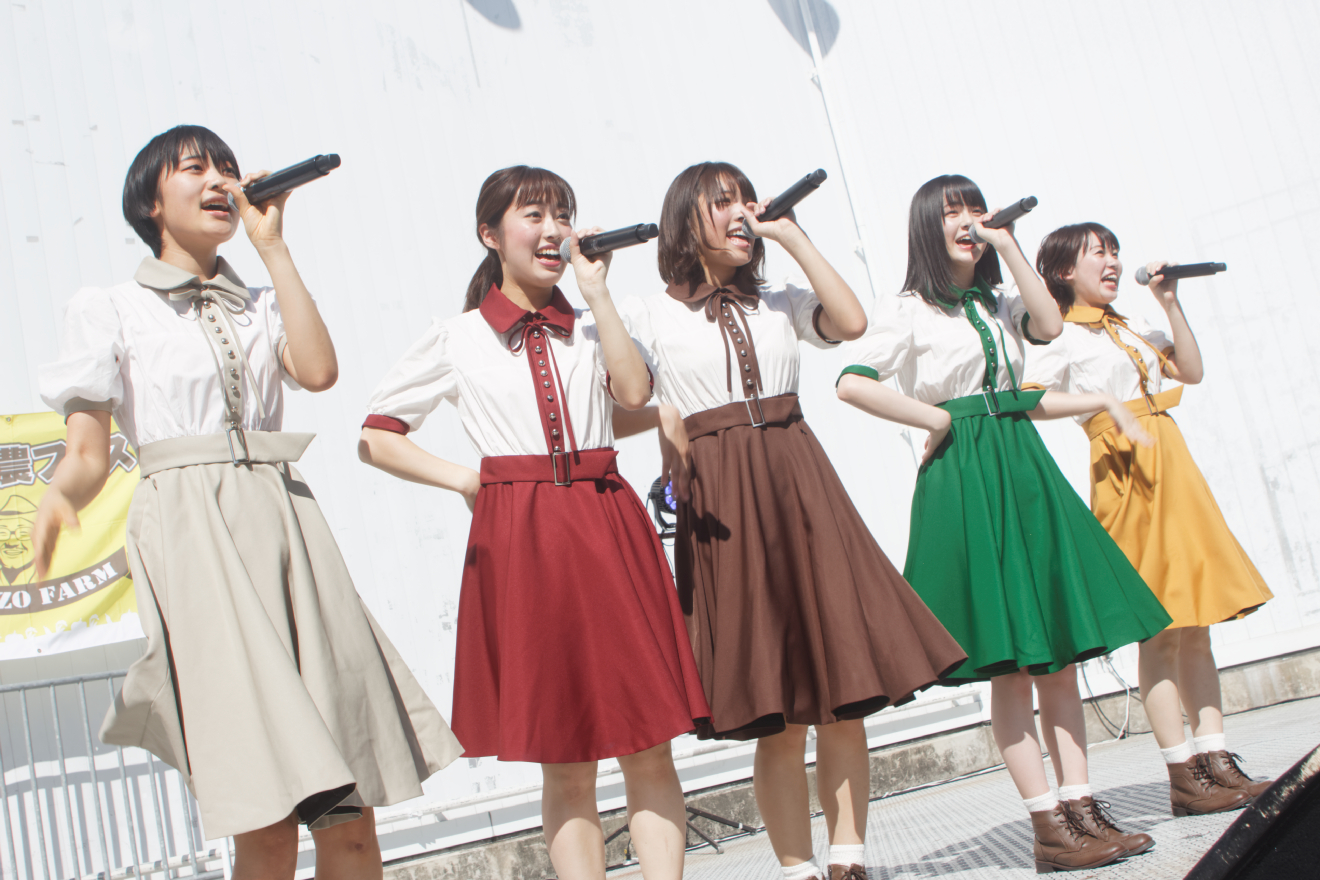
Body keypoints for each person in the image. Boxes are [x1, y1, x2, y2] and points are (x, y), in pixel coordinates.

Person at [32, 125, 461, 880]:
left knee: (349, 811)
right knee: (264, 817)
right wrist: (61, 496)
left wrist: (273, 247)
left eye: (226, 167)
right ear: (150, 202)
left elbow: (319, 373)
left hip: (286, 520)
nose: (219, 180)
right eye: (195, 168)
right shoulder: (110, 308)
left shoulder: (258, 300)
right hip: (191, 531)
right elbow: (89, 451)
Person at [358, 166, 709, 880]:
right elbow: (376, 436)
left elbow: (634, 393)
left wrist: (597, 292)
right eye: (534, 216)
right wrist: (467, 480)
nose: (554, 231)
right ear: (490, 235)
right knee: (565, 756)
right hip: (523, 539)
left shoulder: (594, 325)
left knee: (649, 742)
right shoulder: (455, 338)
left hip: (607, 523)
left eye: (563, 215)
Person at [618, 162, 966, 880]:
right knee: (777, 712)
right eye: (723, 202)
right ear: (686, 219)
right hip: (722, 496)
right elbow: (626, 397)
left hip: (799, 481)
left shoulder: (777, 298)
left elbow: (851, 323)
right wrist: (667, 437)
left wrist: (793, 237)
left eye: (747, 200)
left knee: (843, 697)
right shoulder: (650, 314)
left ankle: (849, 862)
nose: (742, 213)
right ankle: (798, 870)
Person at [836, 175, 1173, 873]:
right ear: (927, 226)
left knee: (1058, 655)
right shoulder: (909, 310)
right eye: (951, 211)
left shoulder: (999, 301)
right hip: (965, 475)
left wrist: (1009, 246)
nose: (967, 220)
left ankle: (1081, 808)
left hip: (1021, 465)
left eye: (973, 208)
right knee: (1013, 666)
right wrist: (934, 420)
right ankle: (1048, 825)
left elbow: (1049, 328)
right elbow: (852, 380)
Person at [1026, 222, 1273, 816]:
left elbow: (1190, 370)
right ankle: (1183, 774)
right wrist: (1101, 405)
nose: (1112, 262)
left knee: (1198, 623)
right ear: (1064, 271)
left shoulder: (1132, 324)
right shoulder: (1061, 336)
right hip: (1125, 474)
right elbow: (1032, 399)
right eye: (1098, 253)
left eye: (1115, 251)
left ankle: (1216, 758)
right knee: (1160, 628)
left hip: (1174, 465)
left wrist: (1169, 302)